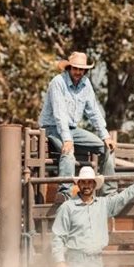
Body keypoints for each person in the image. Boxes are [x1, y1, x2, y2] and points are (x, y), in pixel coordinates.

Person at [39, 52, 116, 202]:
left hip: (72, 129)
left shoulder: (86, 84)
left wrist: (105, 135)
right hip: (53, 127)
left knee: (107, 148)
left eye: (81, 69)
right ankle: (65, 193)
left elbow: (94, 112)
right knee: (68, 152)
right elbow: (60, 114)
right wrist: (67, 140)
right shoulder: (58, 82)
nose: (78, 72)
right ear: (69, 68)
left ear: (85, 71)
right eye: (75, 68)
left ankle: (109, 193)